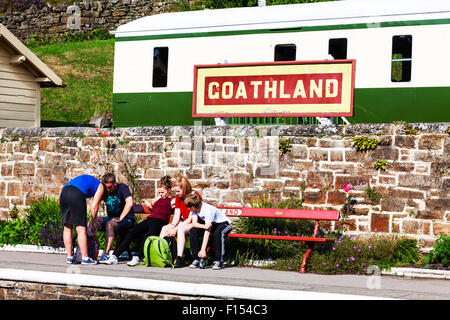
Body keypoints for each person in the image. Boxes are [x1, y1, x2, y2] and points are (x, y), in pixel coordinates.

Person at [102, 176, 174, 265]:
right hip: (150, 219)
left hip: (159, 221)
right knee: (131, 234)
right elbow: (148, 203)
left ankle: (137, 257)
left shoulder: (172, 200)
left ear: (169, 190)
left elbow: (179, 204)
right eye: (159, 192)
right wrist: (149, 203)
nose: (160, 194)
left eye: (162, 192)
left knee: (148, 236)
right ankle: (114, 256)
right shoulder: (158, 199)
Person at [60, 174, 108, 265]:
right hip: (76, 193)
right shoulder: (101, 186)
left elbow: (91, 203)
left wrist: (92, 218)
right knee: (81, 228)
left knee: (67, 227)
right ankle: (85, 258)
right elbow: (94, 205)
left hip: (64, 191)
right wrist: (94, 221)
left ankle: (69, 257)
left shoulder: (91, 183)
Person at [90, 173, 135, 263]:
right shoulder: (105, 190)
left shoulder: (122, 188)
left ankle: (105, 254)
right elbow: (93, 201)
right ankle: (87, 252)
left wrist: (120, 218)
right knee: (91, 223)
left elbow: (129, 203)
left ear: (115, 183)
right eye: (106, 187)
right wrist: (95, 219)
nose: (108, 190)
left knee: (109, 224)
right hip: (111, 218)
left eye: (110, 187)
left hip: (126, 219)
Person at [161, 175, 201, 268]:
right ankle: (163, 255)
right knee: (165, 228)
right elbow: (177, 215)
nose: (177, 193)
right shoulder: (179, 198)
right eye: (175, 191)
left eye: (178, 191)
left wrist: (176, 228)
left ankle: (179, 258)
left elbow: (190, 218)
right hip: (185, 221)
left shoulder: (194, 196)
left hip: (195, 221)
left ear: (185, 188)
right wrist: (173, 225)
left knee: (180, 230)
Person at [185, 194, 232, 270]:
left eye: (188, 207)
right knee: (193, 230)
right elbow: (194, 223)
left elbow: (208, 230)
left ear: (193, 207)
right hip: (211, 225)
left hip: (224, 223)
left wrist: (203, 249)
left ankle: (218, 260)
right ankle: (197, 258)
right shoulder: (194, 210)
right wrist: (205, 226)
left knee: (218, 233)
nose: (187, 209)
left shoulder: (207, 210)